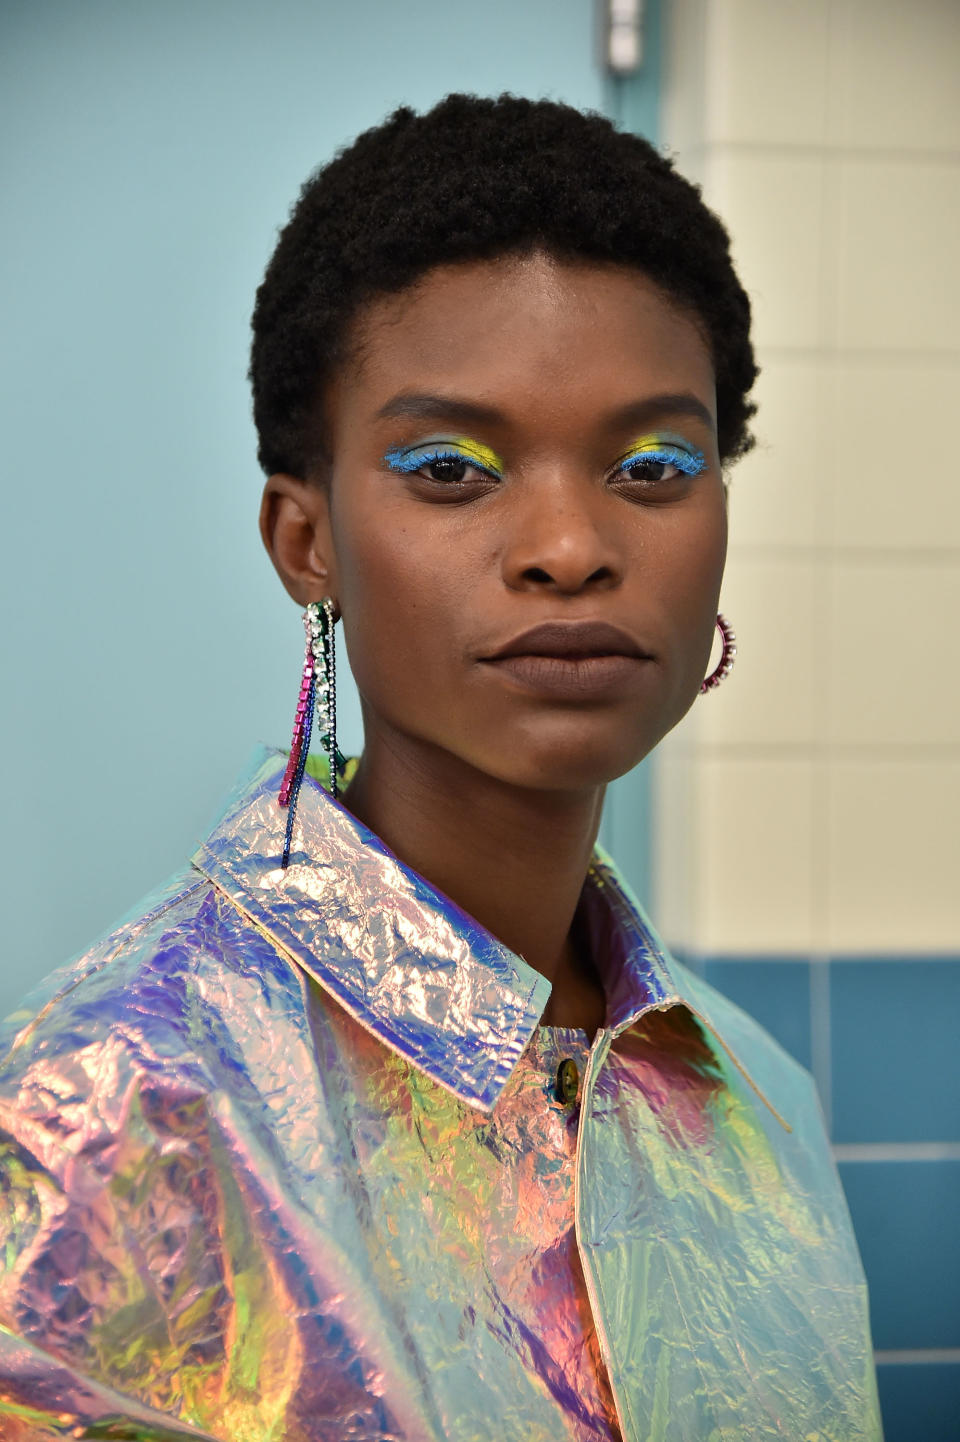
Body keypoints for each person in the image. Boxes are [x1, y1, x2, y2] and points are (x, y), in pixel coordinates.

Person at [0, 95, 882, 1441]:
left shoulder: (756, 1096)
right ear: (307, 540)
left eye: (653, 463)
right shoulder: (117, 1110)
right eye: (452, 468)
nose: (570, 544)